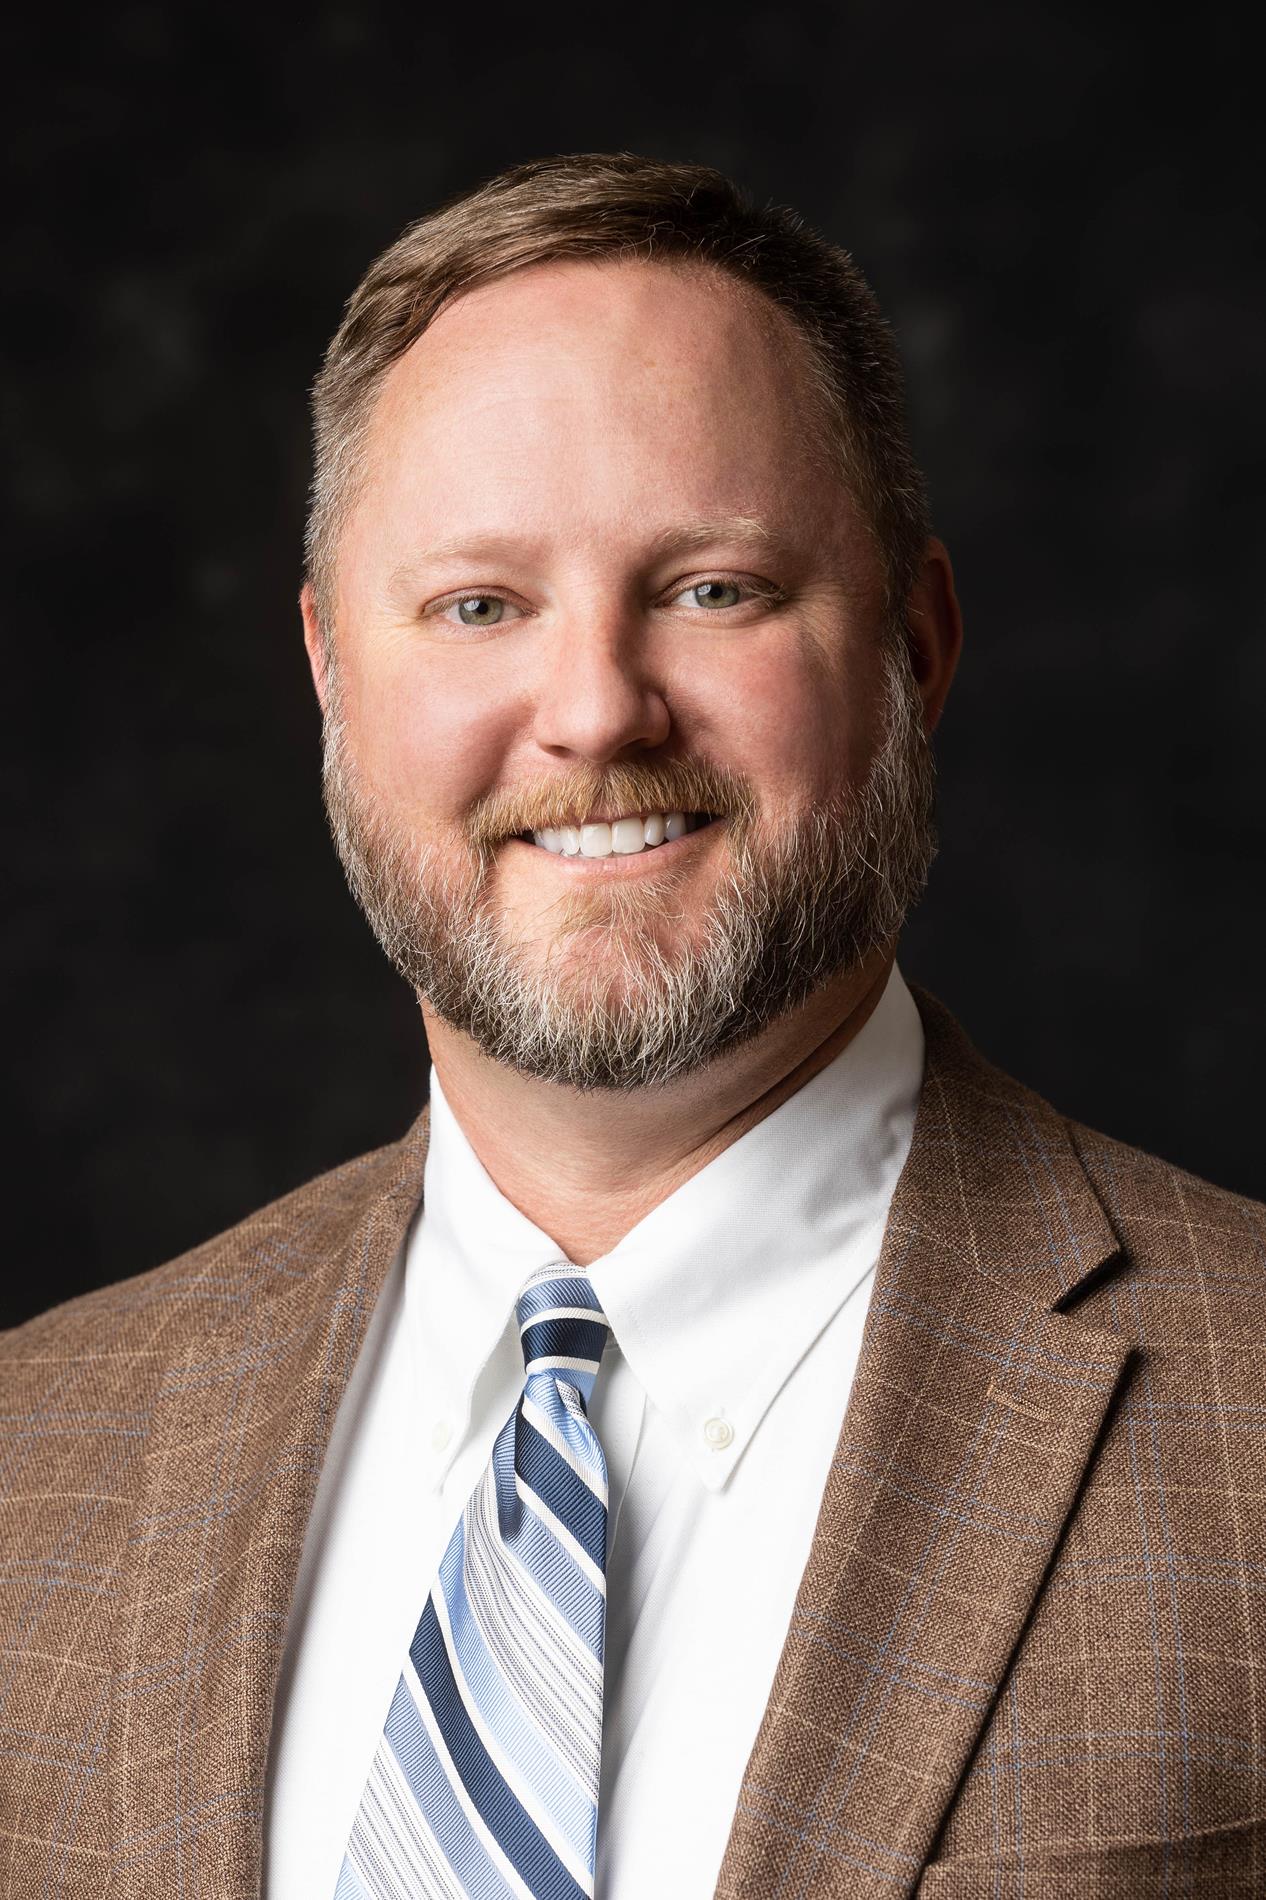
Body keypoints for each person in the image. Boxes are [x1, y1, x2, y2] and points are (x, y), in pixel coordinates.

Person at [1, 152, 1262, 1900]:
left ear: (917, 641)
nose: (592, 709)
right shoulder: (36, 1457)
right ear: (327, 674)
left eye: (712, 588)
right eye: (477, 606)